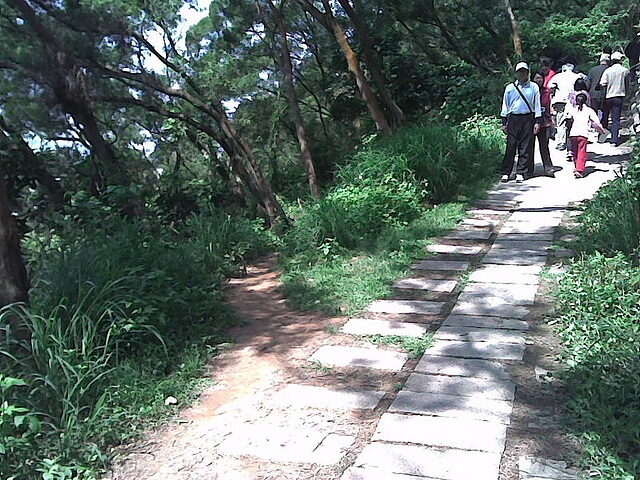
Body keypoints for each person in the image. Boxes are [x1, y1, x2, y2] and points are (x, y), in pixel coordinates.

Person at [500, 62, 542, 183]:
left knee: (525, 146)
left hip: (528, 118)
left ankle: (521, 171)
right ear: (516, 73)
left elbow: (537, 105)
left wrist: (537, 121)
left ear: (528, 73)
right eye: (520, 72)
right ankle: (506, 172)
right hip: (513, 118)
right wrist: (504, 122)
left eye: (524, 72)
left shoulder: (534, 87)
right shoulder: (510, 87)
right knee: (511, 146)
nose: (522, 74)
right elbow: (505, 105)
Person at [564, 92, 606, 178]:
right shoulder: (589, 110)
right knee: (582, 152)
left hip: (573, 134)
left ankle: (577, 167)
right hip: (582, 134)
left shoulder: (573, 110)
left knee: (575, 152)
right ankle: (579, 170)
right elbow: (596, 122)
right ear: (586, 101)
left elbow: (568, 119)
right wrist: (602, 131)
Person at [599, 51, 630, 146]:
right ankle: (614, 140)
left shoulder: (608, 71)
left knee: (605, 117)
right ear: (620, 60)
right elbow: (627, 84)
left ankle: (602, 137)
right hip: (619, 96)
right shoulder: (625, 70)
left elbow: (602, 83)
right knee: (615, 119)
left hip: (608, 96)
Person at [549, 63, 580, 151]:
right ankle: (573, 141)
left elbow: (550, 85)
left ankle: (561, 142)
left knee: (561, 122)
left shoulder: (557, 76)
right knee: (573, 121)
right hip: (573, 100)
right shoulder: (576, 76)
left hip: (560, 101)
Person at [531, 71, 555, 176]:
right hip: (531, 121)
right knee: (529, 146)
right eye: (536, 78)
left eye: (540, 78)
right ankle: (528, 169)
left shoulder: (547, 91)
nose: (539, 80)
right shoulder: (529, 90)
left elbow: (549, 104)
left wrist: (552, 119)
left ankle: (548, 167)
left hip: (544, 121)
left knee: (544, 145)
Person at [588, 53, 611, 118]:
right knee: (605, 112)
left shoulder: (593, 70)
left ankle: (594, 126)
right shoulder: (610, 70)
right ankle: (604, 126)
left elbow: (589, 83)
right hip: (606, 94)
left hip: (593, 94)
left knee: (593, 113)